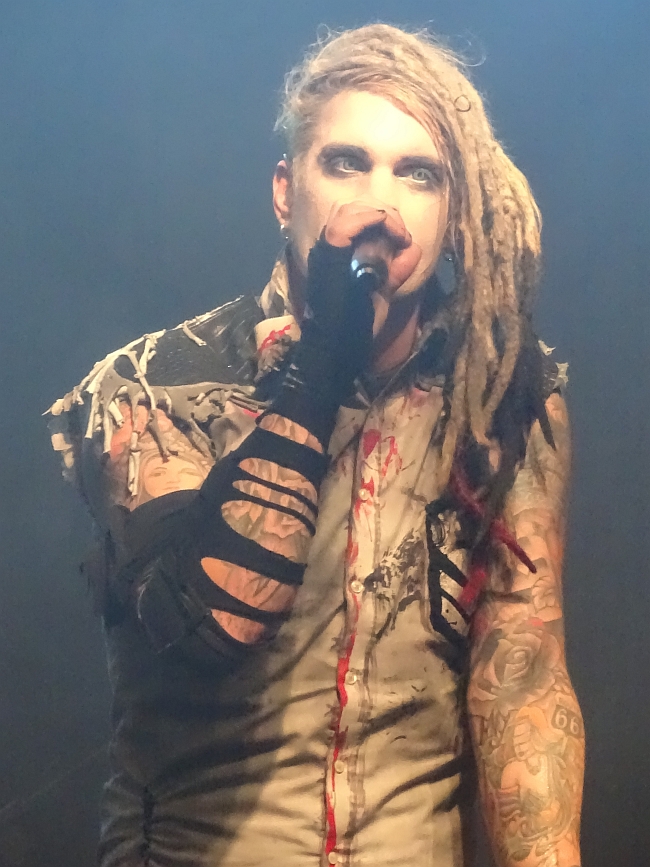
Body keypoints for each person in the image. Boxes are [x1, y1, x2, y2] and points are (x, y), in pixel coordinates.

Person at [48, 23, 583, 867]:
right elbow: (217, 616)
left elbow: (522, 673)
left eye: (419, 173)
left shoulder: (501, 399)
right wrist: (322, 359)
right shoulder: (151, 388)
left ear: (454, 213)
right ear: (284, 192)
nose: (381, 208)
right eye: (346, 163)